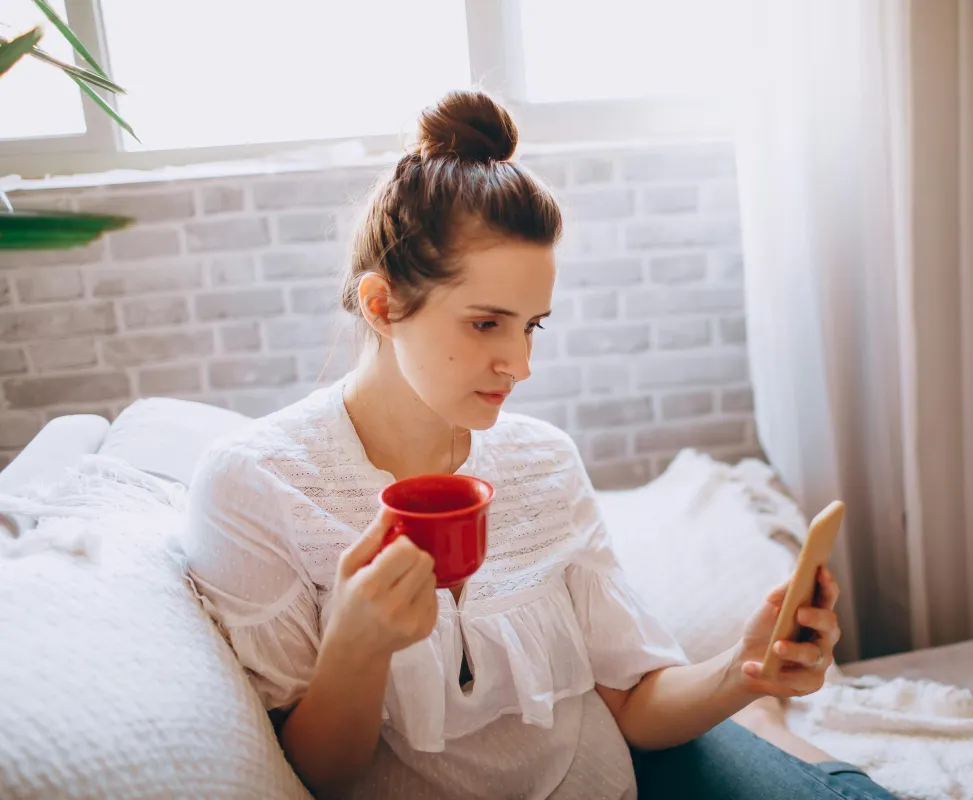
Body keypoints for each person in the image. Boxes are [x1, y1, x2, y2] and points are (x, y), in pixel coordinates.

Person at [181, 90, 896, 800]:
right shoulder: (256, 484)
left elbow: (635, 705)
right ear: (382, 304)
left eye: (533, 326)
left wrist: (744, 666)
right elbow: (314, 778)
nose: (521, 366)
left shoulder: (542, 459)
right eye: (487, 324)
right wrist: (356, 647)